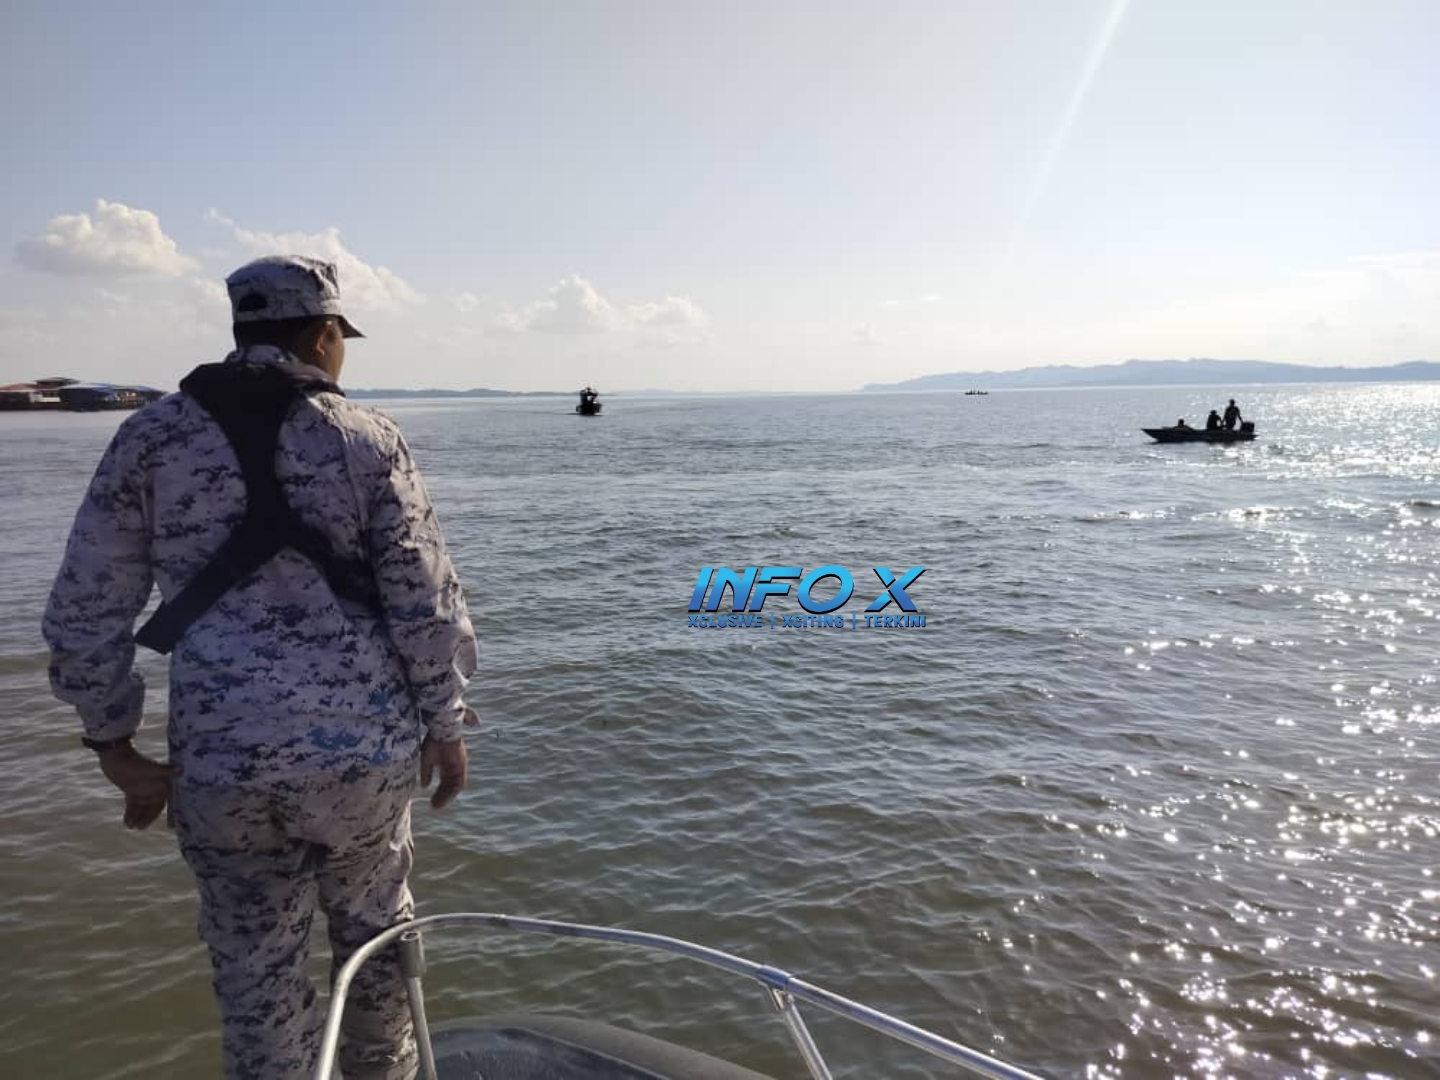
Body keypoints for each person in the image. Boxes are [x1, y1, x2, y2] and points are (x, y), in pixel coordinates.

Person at [42, 255, 479, 1080]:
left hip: (223, 768)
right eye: (340, 338)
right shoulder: (367, 438)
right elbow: (427, 604)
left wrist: (115, 746)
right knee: (378, 947)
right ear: (323, 334)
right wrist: (446, 726)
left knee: (257, 983)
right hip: (361, 766)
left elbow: (84, 611)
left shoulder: (149, 439)